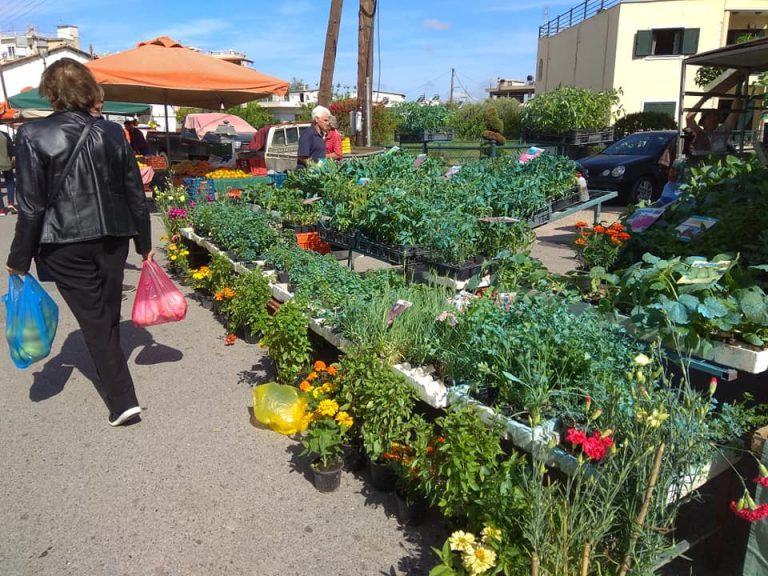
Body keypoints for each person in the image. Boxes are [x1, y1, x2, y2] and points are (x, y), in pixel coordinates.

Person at [6, 58, 154, 427]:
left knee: (95, 319)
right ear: (88, 89)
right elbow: (135, 192)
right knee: (105, 313)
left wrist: (18, 258)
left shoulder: (32, 134)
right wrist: (143, 242)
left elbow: (30, 205)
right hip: (114, 237)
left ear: (51, 92)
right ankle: (115, 374)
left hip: (64, 242)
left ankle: (124, 401)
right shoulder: (112, 133)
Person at [297, 105, 331, 169]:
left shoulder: (321, 135)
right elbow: (302, 157)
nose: (328, 123)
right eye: (325, 120)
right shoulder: (307, 134)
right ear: (316, 119)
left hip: (318, 173)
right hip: (306, 173)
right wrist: (314, 167)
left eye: (328, 121)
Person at [0, 129, 15, 215]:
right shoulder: (5, 135)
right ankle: (11, 203)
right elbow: (11, 150)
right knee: (10, 182)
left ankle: (1, 209)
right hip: (6, 162)